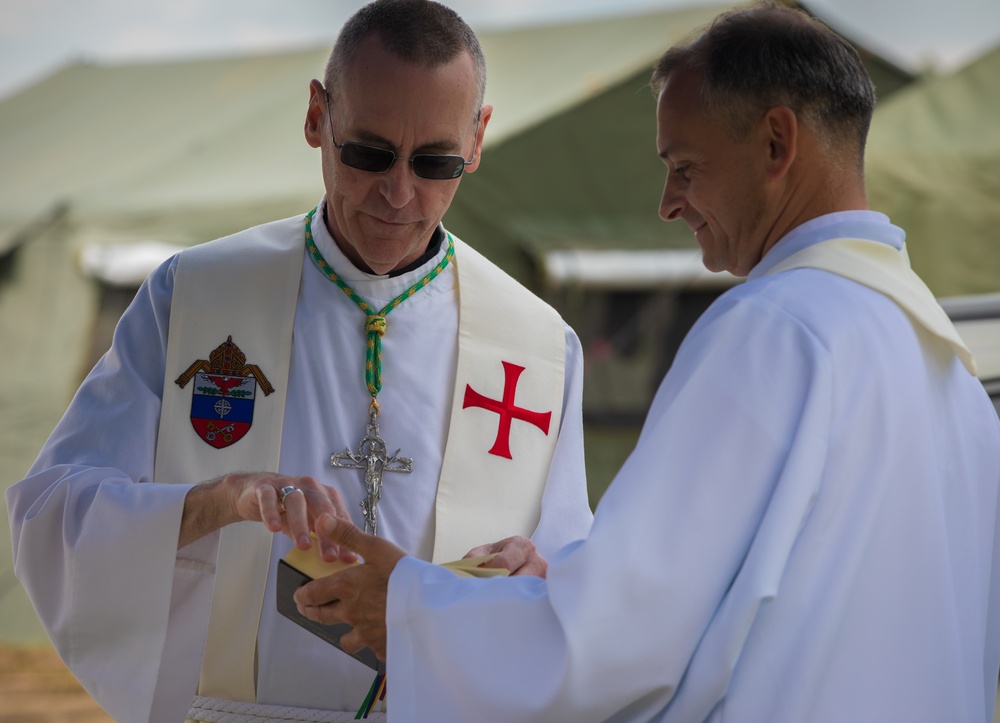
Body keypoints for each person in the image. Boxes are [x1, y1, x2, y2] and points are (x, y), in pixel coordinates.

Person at [293, 4, 1000, 721]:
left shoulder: (776, 333)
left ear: (776, 142)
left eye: (685, 167)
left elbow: (623, 638)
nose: (668, 205)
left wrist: (412, 609)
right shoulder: (948, 370)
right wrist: (555, 581)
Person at [6, 2, 593, 721]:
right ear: (318, 117)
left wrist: (537, 578)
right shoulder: (195, 296)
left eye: (435, 161)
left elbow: (577, 580)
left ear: (478, 140)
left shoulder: (536, 344)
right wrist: (219, 500)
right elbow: (53, 514)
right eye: (370, 153)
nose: (399, 193)